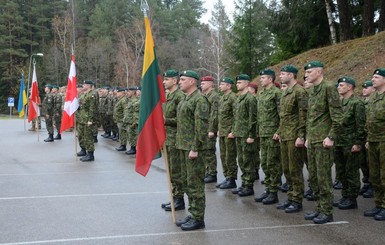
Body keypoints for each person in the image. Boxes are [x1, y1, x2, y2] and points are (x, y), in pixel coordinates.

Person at [303, 61, 343, 224]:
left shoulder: (328, 87)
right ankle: (319, 207)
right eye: (306, 72)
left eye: (310, 72)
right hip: (313, 140)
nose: (306, 75)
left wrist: (331, 137)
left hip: (323, 141)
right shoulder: (313, 90)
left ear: (319, 72)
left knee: (323, 177)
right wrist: (307, 137)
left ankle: (327, 211)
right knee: (313, 177)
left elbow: (338, 117)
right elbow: (311, 117)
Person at [174, 70, 209, 231]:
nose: (180, 82)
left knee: (195, 184)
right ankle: (193, 212)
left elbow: (201, 128)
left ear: (192, 82)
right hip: (182, 146)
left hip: (193, 149)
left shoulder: (200, 100)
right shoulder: (185, 99)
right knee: (187, 182)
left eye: (183, 79)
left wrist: (195, 147)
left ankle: (198, 217)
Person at [275, 65, 307, 213]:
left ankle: (297, 199)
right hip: (285, 135)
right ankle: (290, 197)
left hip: (294, 135)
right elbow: (283, 116)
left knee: (295, 169)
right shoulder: (286, 92)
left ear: (292, 75)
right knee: (287, 169)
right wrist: (280, 132)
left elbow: (303, 115)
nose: (280, 76)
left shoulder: (300, 92)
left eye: (283, 74)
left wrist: (301, 136)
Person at [333, 76, 365, 210]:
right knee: (341, 171)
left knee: (351, 171)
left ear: (350, 87)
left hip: (350, 142)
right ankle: (345, 195)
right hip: (339, 142)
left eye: (342, 85)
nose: (339, 87)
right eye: (338, 85)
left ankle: (352, 198)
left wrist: (358, 143)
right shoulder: (339, 102)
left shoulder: (356, 103)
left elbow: (361, 124)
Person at [255, 69, 282, 204]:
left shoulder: (277, 93)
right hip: (263, 133)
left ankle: (274, 191)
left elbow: (282, 114)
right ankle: (268, 188)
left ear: (270, 79)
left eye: (263, 78)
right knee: (265, 163)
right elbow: (260, 115)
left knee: (273, 163)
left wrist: (279, 131)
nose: (261, 80)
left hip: (272, 134)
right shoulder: (261, 93)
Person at [161, 70, 186, 212]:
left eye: (167, 80)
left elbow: (183, 120)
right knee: (170, 170)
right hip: (167, 138)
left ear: (175, 81)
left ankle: (179, 199)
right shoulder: (167, 95)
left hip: (176, 138)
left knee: (176, 171)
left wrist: (166, 120)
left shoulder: (179, 96)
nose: (164, 82)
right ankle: (174, 197)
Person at [230, 74, 258, 197]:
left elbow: (253, 118)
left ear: (246, 84)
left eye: (239, 82)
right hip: (240, 134)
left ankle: (249, 185)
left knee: (248, 161)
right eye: (237, 83)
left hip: (247, 135)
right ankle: (244, 182)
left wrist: (251, 135)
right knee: (241, 160)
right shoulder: (239, 98)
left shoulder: (250, 99)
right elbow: (236, 117)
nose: (237, 84)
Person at [364, 68, 385, 221]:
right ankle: (378, 204)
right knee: (375, 175)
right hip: (372, 140)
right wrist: (367, 139)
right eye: (373, 77)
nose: (373, 79)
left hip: (384, 140)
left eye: (377, 77)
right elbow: (368, 120)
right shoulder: (372, 97)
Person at [216, 77, 238, 189]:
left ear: (229, 86)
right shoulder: (222, 98)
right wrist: (219, 129)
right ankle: (227, 177)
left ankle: (232, 178)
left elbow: (236, 115)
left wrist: (233, 131)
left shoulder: (233, 98)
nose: (220, 86)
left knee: (230, 156)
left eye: (222, 84)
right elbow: (221, 116)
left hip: (229, 132)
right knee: (224, 156)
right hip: (223, 131)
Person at [201, 76, 220, 184]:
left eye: (204, 83)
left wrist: (212, 129)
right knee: (205, 152)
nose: (202, 85)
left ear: (210, 84)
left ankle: (212, 173)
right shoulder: (204, 96)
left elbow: (214, 114)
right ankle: (207, 171)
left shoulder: (214, 96)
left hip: (209, 128)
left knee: (209, 152)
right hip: (203, 128)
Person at [359, 80, 375, 198]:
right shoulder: (362, 103)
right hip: (363, 136)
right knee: (363, 162)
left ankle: (373, 185)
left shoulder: (374, 103)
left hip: (373, 136)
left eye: (366, 87)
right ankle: (367, 182)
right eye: (363, 88)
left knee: (372, 163)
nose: (364, 89)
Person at [76, 80, 98, 162]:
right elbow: (80, 106)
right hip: (82, 119)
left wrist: (90, 120)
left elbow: (93, 108)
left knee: (88, 137)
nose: (83, 85)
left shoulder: (92, 94)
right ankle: (83, 150)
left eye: (84, 84)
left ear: (89, 85)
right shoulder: (83, 95)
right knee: (81, 136)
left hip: (88, 119)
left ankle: (90, 154)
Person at [247, 82, 261, 180]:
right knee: (250, 152)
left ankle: (255, 170)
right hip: (248, 129)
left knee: (255, 151)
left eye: (249, 88)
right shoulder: (248, 99)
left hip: (256, 130)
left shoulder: (255, 100)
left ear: (253, 90)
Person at [126, 86, 140, 155]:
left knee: (135, 136)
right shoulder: (129, 100)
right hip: (129, 121)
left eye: (129, 91)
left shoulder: (137, 100)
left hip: (134, 121)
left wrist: (134, 121)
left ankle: (135, 149)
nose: (127, 93)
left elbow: (136, 112)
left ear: (133, 92)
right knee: (130, 136)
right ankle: (132, 148)